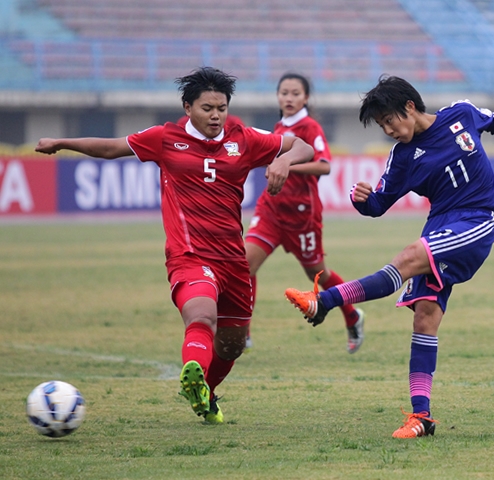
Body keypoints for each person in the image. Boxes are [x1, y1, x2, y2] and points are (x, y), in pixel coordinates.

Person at [35, 67, 314, 424]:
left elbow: (300, 145)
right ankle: (193, 368)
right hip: (189, 255)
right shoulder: (165, 138)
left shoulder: (243, 138)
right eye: (207, 108)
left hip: (233, 259)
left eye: (222, 108)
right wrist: (62, 143)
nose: (215, 115)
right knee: (201, 316)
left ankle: (206, 393)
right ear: (187, 107)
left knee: (233, 343)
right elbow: (111, 147)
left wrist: (284, 161)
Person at [285, 75, 494, 438]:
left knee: (410, 255)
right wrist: (360, 198)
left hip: (477, 220)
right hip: (439, 227)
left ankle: (327, 300)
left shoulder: (461, 113)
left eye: (390, 120)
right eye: (382, 126)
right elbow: (379, 204)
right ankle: (421, 417)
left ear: (409, 107)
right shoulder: (402, 158)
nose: (389, 130)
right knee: (425, 317)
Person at [245, 72, 365, 353]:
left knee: (318, 273)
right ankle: (242, 331)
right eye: (284, 93)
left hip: (302, 216)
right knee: (244, 264)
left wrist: (288, 165)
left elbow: (324, 166)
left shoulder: (309, 128)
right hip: (271, 210)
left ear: (306, 98)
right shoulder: (277, 128)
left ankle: (352, 315)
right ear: (278, 96)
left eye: (295, 93)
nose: (289, 98)